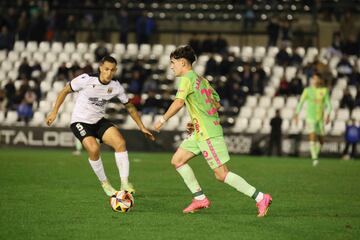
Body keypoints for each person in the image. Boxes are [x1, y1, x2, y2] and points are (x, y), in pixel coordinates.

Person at [153, 45, 272, 217]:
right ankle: (200, 198)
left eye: (173, 62)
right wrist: (196, 121)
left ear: (182, 62)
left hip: (208, 134)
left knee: (221, 175)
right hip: (200, 131)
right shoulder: (202, 80)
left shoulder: (186, 79)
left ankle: (261, 197)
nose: (171, 66)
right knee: (178, 160)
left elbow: (179, 102)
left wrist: (163, 120)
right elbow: (216, 103)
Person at [46, 56, 155, 196]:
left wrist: (142, 126)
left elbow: (130, 106)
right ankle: (105, 183)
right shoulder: (86, 79)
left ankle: (124, 183)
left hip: (98, 121)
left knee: (120, 143)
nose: (109, 73)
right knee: (94, 149)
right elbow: (65, 91)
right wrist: (54, 112)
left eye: (112, 70)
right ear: (100, 68)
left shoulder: (115, 86)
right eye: (106, 69)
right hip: (80, 121)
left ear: (115, 70)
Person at [294, 72, 332, 166]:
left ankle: (315, 155)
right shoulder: (307, 90)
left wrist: (328, 115)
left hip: (320, 119)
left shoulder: (324, 91)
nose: (314, 80)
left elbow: (329, 105)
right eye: (313, 79)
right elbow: (301, 103)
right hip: (310, 118)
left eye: (316, 79)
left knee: (321, 141)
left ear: (320, 80)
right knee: (312, 137)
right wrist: (296, 114)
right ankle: (314, 159)